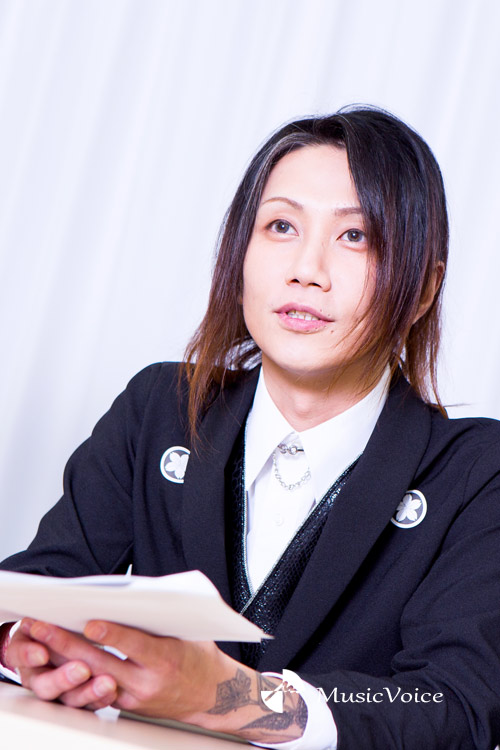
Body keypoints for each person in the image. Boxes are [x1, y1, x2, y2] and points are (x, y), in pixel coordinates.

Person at [1, 106, 500, 750]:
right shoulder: (160, 408)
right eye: (281, 226)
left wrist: (229, 699)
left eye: (356, 236)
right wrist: (28, 646)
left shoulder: (475, 472)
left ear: (424, 289)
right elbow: (35, 589)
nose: (307, 269)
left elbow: (454, 703)